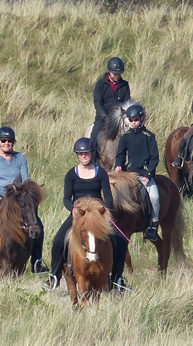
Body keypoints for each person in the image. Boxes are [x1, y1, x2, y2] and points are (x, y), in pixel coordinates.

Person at [44, 138, 130, 293]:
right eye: (80, 153)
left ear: (91, 153)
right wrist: (72, 209)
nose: (84, 156)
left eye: (86, 153)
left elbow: (108, 196)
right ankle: (54, 275)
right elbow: (66, 198)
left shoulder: (101, 172)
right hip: (79, 213)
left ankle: (117, 278)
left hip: (97, 213)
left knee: (120, 240)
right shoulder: (71, 174)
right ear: (77, 155)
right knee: (59, 239)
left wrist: (104, 209)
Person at [0, 126, 48, 274]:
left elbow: (26, 180)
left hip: (18, 199)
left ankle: (37, 261)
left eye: (9, 141)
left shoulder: (20, 158)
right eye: (3, 140)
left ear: (13, 142)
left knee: (38, 225)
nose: (6, 143)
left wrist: (27, 192)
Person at [114, 104, 161, 241]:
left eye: (136, 120)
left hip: (144, 174)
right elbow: (120, 154)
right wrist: (118, 165)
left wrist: (149, 174)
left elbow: (154, 158)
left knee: (154, 197)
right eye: (131, 120)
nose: (134, 123)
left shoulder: (149, 136)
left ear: (141, 118)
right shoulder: (125, 137)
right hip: (129, 174)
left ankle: (153, 225)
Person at [89, 57, 131, 149]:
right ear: (109, 71)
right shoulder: (100, 84)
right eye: (115, 74)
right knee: (93, 138)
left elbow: (127, 102)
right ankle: (93, 154)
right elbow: (97, 103)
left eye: (119, 74)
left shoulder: (125, 85)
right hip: (103, 118)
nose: (117, 76)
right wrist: (104, 116)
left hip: (119, 118)